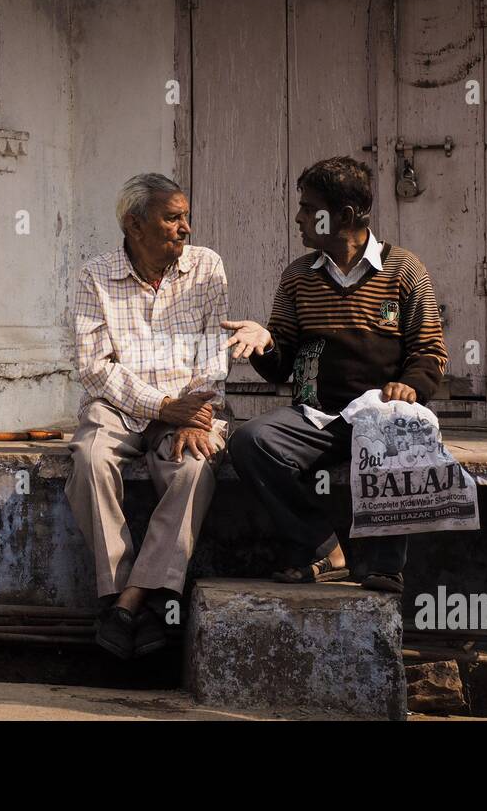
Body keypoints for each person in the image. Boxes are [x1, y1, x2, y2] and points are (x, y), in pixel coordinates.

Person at [223, 156, 448, 594]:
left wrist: (410, 386)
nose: (299, 217)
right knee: (250, 442)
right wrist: (265, 342)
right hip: (316, 418)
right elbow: (280, 365)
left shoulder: (404, 270)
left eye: (309, 208)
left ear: (344, 215)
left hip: (378, 415)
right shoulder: (298, 277)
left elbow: (431, 352)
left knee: (402, 427)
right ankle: (324, 548)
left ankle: (386, 566)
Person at [67, 173, 230, 658]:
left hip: (189, 406)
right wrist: (158, 405)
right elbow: (95, 368)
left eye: (185, 216)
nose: (185, 228)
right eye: (172, 218)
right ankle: (129, 594)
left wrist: (190, 411)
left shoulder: (206, 267)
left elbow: (214, 358)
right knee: (89, 459)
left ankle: (126, 604)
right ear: (135, 225)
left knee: (195, 468)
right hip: (120, 406)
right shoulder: (94, 275)